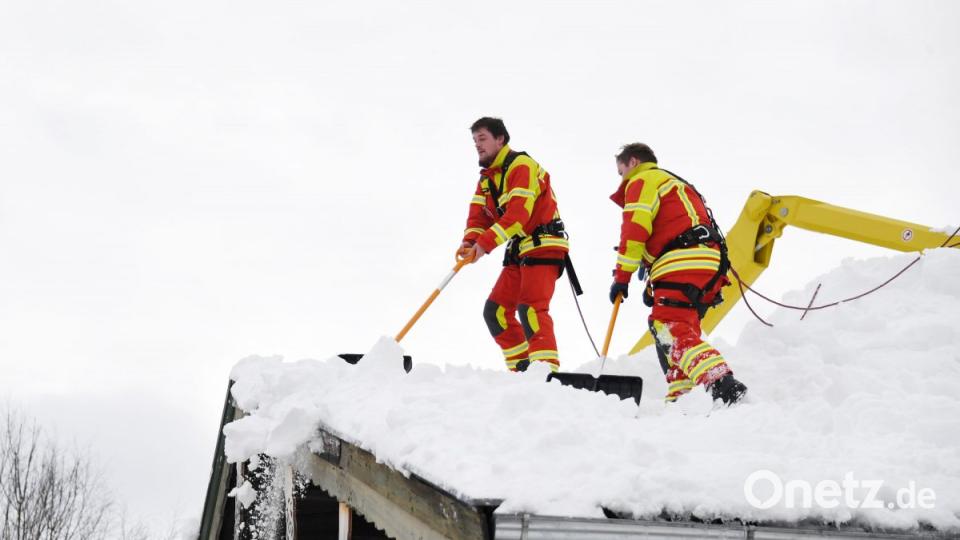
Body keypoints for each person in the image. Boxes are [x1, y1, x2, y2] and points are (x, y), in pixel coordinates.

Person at [608, 143, 747, 405]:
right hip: (707, 261)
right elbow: (668, 228)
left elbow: (635, 231)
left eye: (621, 171)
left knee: (668, 327)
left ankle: (722, 382)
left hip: (683, 260)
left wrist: (621, 278)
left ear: (633, 162)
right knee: (681, 329)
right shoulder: (674, 184)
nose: (621, 179)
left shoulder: (642, 180)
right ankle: (682, 398)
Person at [458, 117, 570, 372]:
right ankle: (522, 371)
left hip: (543, 244)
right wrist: (469, 241)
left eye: (482, 138)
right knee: (495, 312)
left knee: (531, 307)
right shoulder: (487, 179)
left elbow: (518, 215)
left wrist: (484, 245)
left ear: (500, 139)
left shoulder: (521, 166)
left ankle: (546, 372)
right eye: (474, 141)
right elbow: (479, 217)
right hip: (520, 249)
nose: (477, 145)